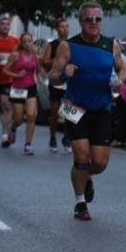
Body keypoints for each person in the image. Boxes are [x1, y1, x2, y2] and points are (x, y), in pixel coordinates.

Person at [49, 2, 126, 221]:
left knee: (99, 163)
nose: (93, 23)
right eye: (88, 19)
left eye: (97, 19)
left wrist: (120, 81)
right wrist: (64, 74)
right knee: (82, 158)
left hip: (102, 107)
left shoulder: (111, 45)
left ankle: (87, 177)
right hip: (74, 106)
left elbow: (123, 68)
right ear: (80, 21)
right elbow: (52, 75)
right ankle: (80, 202)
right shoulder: (68, 46)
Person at [6, 32, 40, 156]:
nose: (27, 43)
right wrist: (16, 75)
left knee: (31, 115)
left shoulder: (36, 56)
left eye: (29, 41)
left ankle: (28, 145)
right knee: (19, 118)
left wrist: (40, 79)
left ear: (32, 42)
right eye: (24, 41)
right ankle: (14, 127)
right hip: (17, 88)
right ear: (21, 43)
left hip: (31, 87)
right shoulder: (16, 55)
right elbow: (5, 70)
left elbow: (38, 70)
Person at [40, 17, 71, 153]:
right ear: (57, 29)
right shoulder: (51, 45)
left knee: (69, 112)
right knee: (55, 111)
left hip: (70, 82)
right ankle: (52, 137)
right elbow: (44, 62)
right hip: (56, 81)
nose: (65, 29)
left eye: (67, 26)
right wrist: (57, 59)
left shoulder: (72, 43)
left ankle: (67, 137)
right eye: (62, 26)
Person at [0, 16, 20, 148]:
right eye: (2, 24)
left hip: (6, 79)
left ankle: (5, 135)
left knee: (6, 106)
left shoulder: (15, 41)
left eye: (7, 24)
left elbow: (23, 56)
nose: (5, 26)